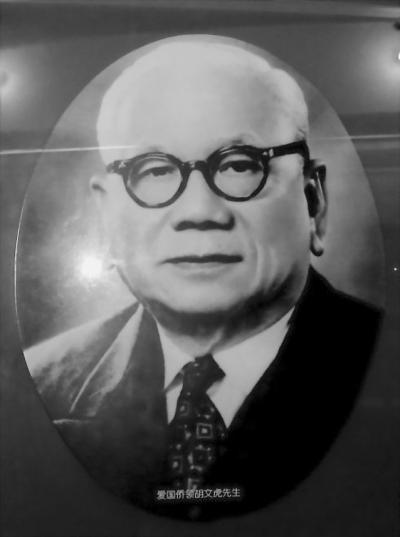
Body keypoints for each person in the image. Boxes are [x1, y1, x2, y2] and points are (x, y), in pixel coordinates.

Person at [25, 38, 381, 521]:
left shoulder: (384, 365)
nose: (198, 212)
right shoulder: (41, 382)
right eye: (154, 171)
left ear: (313, 201)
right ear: (106, 218)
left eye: (239, 165)